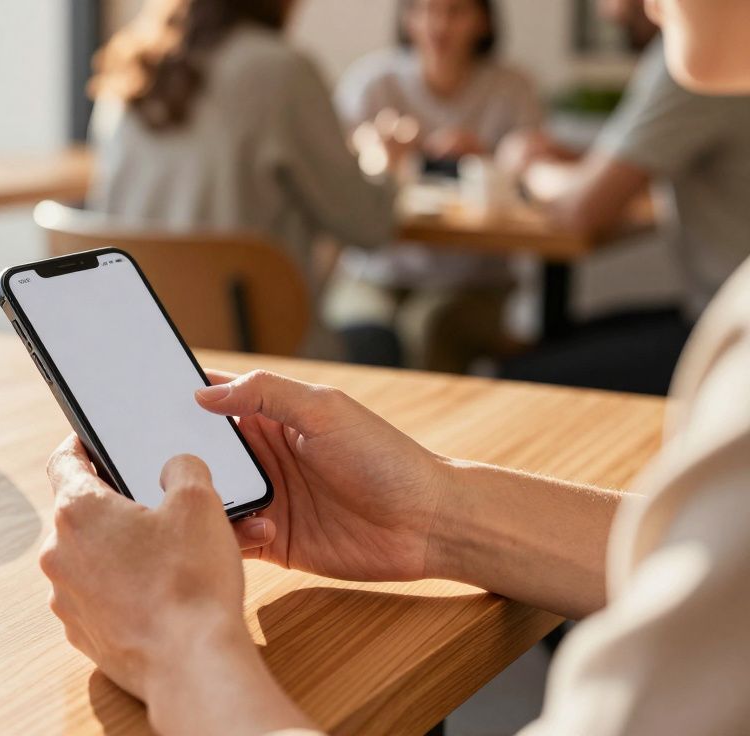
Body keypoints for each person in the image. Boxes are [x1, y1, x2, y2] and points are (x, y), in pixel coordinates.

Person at [39, 0, 750, 732]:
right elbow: (369, 220)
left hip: (171, 384)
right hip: (270, 360)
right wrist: (436, 513)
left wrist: (175, 643)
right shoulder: (289, 70)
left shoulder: (129, 71)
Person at [85, 0, 399, 354]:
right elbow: (369, 225)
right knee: (384, 339)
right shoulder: (281, 70)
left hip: (143, 347)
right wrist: (385, 163)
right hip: (260, 360)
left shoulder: (129, 65)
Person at [496, 0, 750, 394]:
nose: (607, 11)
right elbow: (631, 158)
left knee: (519, 378)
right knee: (553, 345)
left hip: (727, 334)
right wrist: (568, 154)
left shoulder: (693, 64)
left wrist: (529, 168)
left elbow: (581, 208)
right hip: (718, 314)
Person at [328, 0, 543, 372]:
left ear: (483, 22)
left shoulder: (511, 88)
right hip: (378, 271)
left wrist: (488, 161)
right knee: (364, 333)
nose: (438, 25)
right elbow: (332, 178)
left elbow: (535, 188)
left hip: (474, 280)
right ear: (406, 18)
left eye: (456, 11)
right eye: (424, 10)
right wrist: (376, 155)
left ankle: (415, 433)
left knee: (427, 328)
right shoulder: (373, 83)